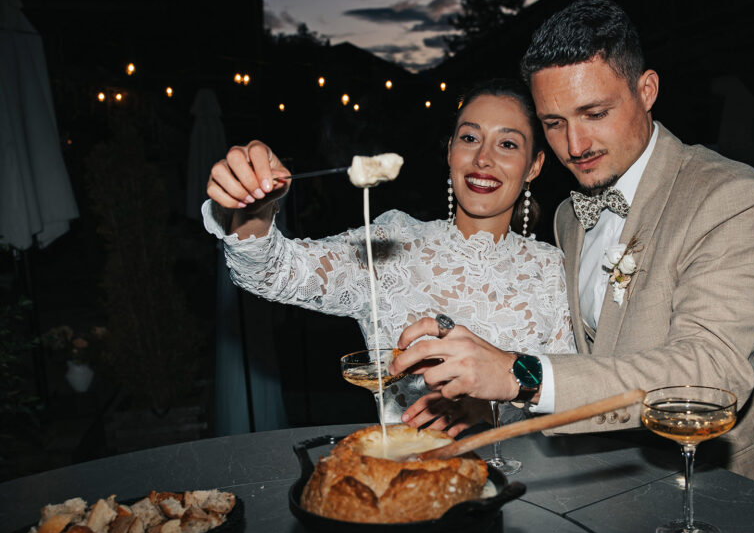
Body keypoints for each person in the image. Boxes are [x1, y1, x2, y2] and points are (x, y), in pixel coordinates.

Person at [391, 0, 754, 498]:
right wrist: (496, 403)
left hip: (717, 497)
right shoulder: (569, 215)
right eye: (554, 123)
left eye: (595, 113)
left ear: (646, 90)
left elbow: (710, 372)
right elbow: (596, 363)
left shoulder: (731, 198)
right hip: (612, 493)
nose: (575, 144)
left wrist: (519, 375)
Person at [203, 79, 575, 430]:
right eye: (469, 137)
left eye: (507, 144)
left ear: (535, 166)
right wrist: (252, 209)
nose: (483, 158)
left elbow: (574, 399)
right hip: (409, 479)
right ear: (450, 152)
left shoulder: (553, 269)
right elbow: (274, 271)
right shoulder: (393, 243)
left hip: (531, 483)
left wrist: (497, 410)